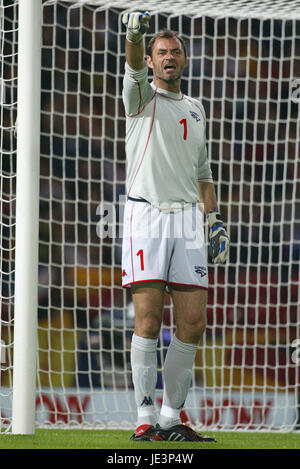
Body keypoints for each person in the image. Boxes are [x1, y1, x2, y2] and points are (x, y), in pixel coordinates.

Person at [121, 11, 229, 442]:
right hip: (147, 213)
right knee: (148, 320)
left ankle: (171, 417)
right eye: (161, 52)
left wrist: (214, 219)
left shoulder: (196, 108)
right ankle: (145, 419)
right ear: (150, 62)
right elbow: (130, 63)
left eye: (176, 52)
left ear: (185, 60)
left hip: (188, 218)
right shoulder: (140, 97)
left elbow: (203, 172)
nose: (169, 57)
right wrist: (134, 35)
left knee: (193, 323)